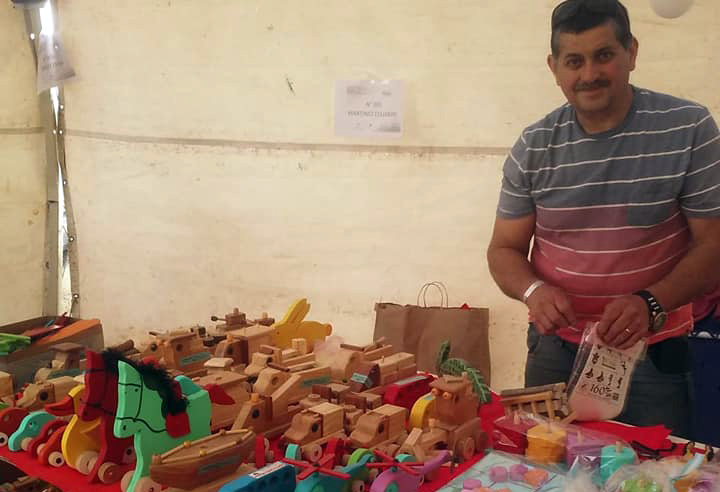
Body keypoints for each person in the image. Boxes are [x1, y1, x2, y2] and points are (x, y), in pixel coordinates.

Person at [486, 0, 720, 439]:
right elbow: (503, 249)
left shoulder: (688, 129)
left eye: (604, 55)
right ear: (554, 68)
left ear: (632, 52)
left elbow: (713, 246)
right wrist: (533, 291)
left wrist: (651, 303)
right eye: (574, 61)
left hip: (653, 354)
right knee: (540, 463)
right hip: (554, 350)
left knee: (657, 466)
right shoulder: (534, 146)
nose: (589, 74)